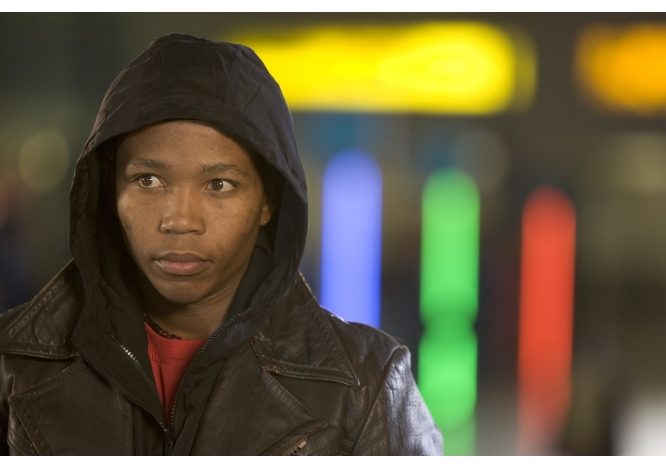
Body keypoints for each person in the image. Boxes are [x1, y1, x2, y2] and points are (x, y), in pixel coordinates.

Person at [0, 33, 442, 456]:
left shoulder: (366, 387)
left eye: (219, 185)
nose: (180, 220)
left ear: (268, 201)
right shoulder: (10, 367)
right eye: (148, 180)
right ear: (108, 190)